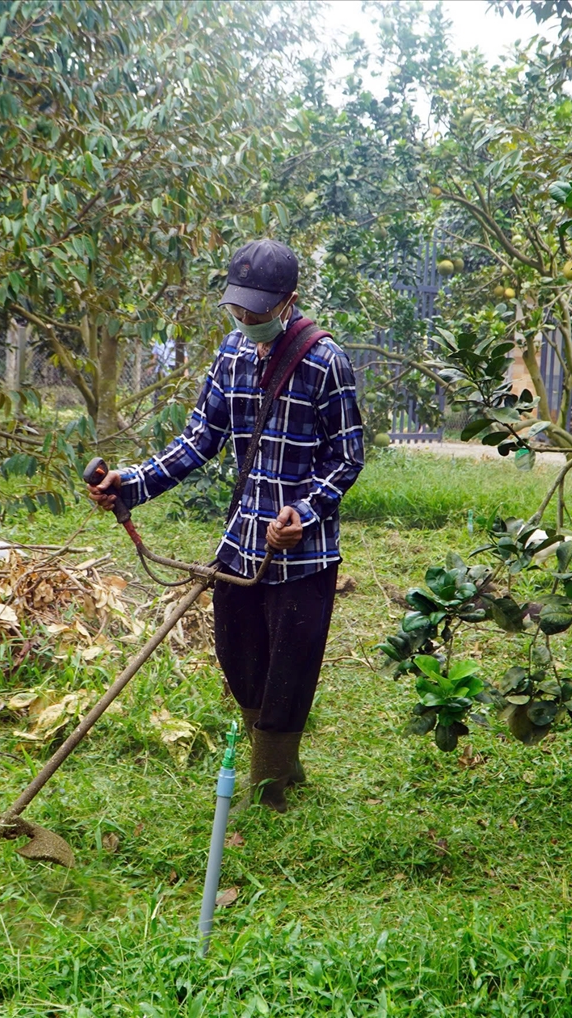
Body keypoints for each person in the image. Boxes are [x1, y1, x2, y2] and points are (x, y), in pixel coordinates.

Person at [87, 239, 365, 812]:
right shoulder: (232, 355)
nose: (245, 319)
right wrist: (131, 485)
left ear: (287, 301)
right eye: (237, 307)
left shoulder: (325, 361)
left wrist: (305, 512)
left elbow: (348, 457)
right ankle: (281, 763)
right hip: (240, 542)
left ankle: (268, 789)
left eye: (257, 309)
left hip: (302, 554)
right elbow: (199, 440)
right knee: (240, 658)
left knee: (290, 668)